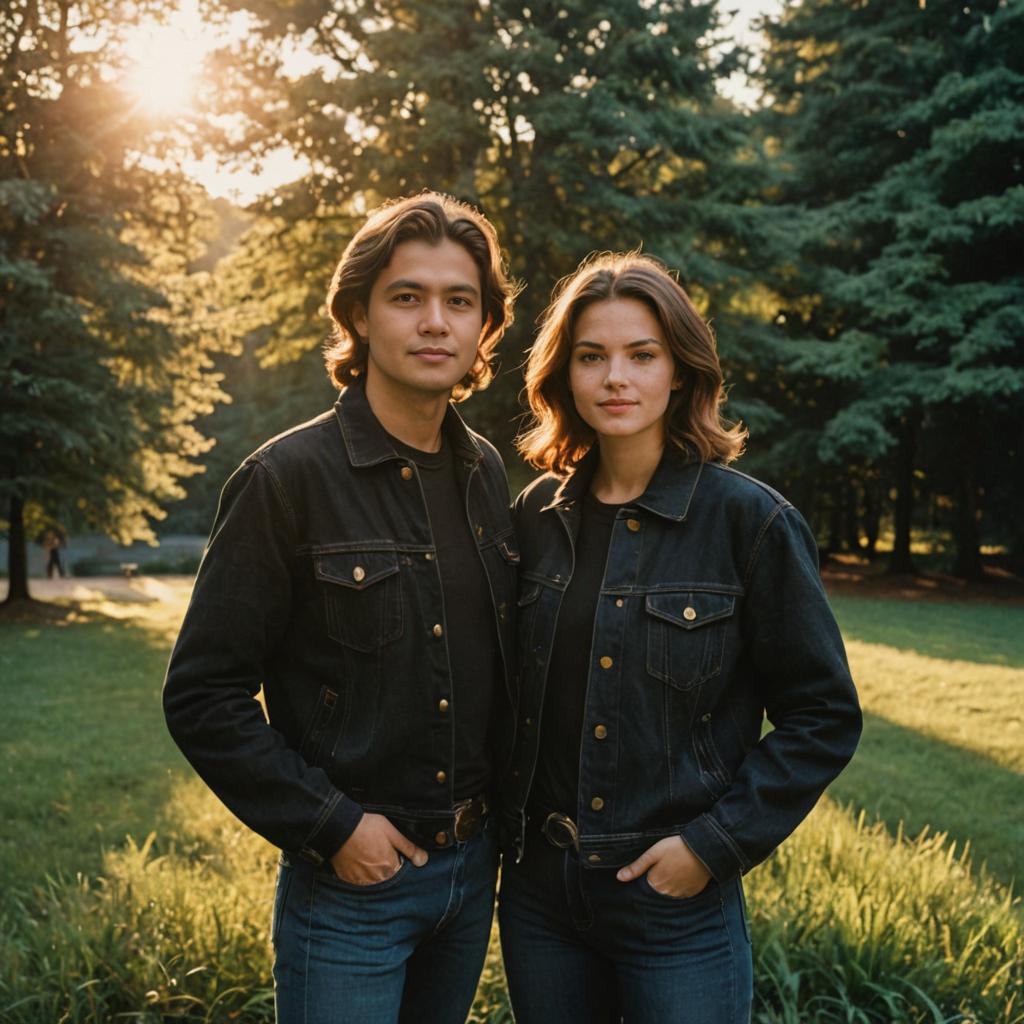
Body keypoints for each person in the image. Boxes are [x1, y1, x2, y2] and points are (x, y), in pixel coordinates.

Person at [163, 192, 521, 1024]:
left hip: (471, 875)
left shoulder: (486, 476)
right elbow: (202, 697)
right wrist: (330, 827)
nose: (435, 321)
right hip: (352, 886)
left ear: (482, 327)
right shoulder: (284, 480)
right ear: (358, 315)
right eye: (408, 297)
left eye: (458, 301)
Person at [498, 252, 862, 1023]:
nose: (615, 378)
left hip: (675, 904)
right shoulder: (536, 517)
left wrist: (712, 847)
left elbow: (823, 715)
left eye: (642, 355)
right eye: (591, 357)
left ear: (682, 373)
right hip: (539, 899)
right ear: (564, 376)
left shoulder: (750, 522)